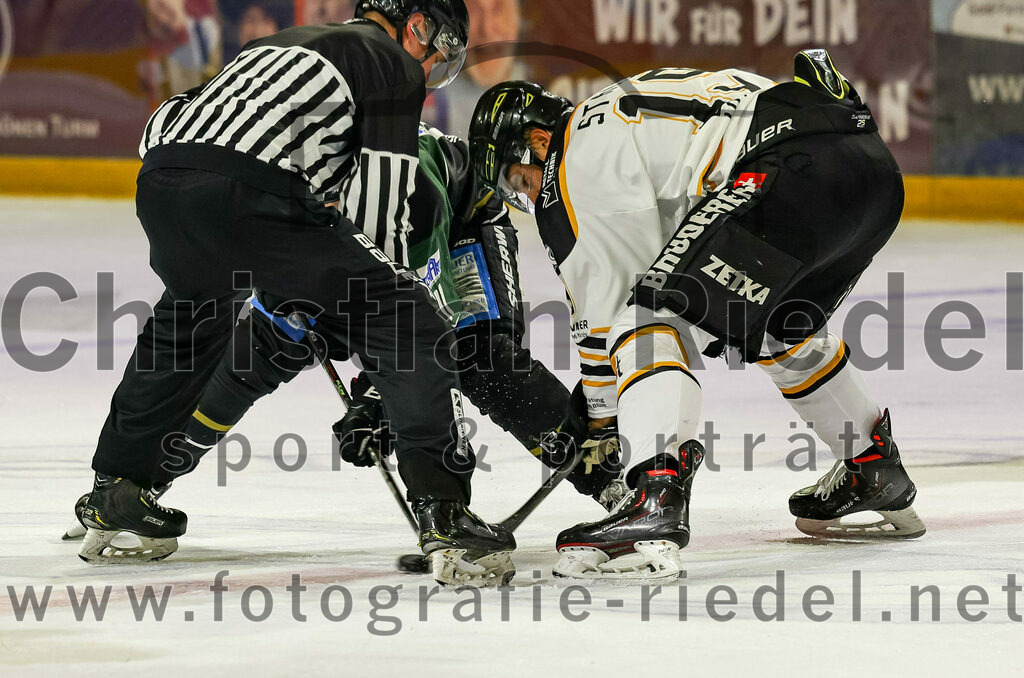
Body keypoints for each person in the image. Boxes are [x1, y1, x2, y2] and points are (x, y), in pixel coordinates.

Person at [73, 0, 513, 586]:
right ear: (417, 26)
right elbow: (381, 213)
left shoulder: (279, 45)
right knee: (411, 324)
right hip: (251, 192)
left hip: (164, 179)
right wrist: (372, 358)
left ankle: (115, 493)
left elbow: (170, 117)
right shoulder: (391, 64)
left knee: (189, 318)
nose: (434, 67)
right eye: (442, 50)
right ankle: (447, 518)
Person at [468, 49, 925, 583]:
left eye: (517, 179)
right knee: (780, 329)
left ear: (537, 141)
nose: (527, 193)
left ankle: (654, 499)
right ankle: (874, 468)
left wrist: (597, 418)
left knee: (644, 319)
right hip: (867, 170)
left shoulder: (574, 159)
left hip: (787, 173)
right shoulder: (617, 112)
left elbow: (609, 309)